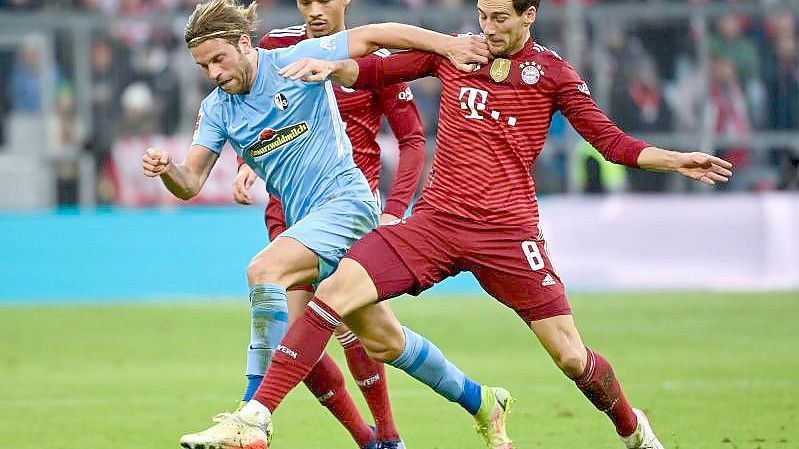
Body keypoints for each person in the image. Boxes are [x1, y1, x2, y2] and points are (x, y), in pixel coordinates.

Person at [177, 0, 734, 448]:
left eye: (499, 18)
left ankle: (632, 430)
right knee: (331, 296)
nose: (487, 28)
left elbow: (611, 143)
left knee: (570, 356)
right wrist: (334, 68)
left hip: (508, 233)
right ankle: (257, 417)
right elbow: (375, 67)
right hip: (437, 223)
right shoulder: (456, 56)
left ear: (528, 16)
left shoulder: (554, 75)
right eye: (482, 14)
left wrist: (676, 158)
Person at [139, 1, 488, 448]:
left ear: (244, 44)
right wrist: (167, 167)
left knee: (264, 271)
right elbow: (189, 182)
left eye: (218, 59)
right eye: (203, 65)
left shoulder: (291, 60)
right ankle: (482, 400)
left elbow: (377, 34)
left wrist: (449, 45)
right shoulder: (217, 109)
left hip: (347, 204)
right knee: (385, 341)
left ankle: (251, 415)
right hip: (308, 223)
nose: (213, 72)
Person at [230, 0, 427, 447]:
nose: (314, 8)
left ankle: (388, 434)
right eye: (304, 1)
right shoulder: (275, 47)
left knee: (350, 322)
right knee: (296, 331)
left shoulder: (372, 60)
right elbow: (254, 119)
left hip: (348, 206)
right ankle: (368, 438)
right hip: (289, 209)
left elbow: (413, 139)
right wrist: (249, 163)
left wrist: (396, 210)